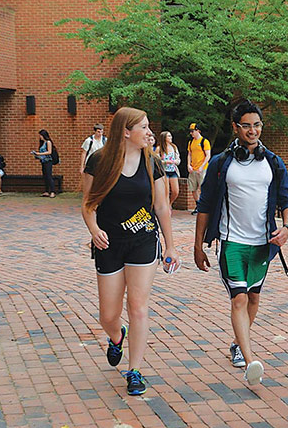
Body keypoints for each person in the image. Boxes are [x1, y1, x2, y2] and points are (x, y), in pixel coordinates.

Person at [193, 101, 288, 386]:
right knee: (238, 297)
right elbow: (206, 205)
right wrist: (198, 245)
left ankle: (238, 343)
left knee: (252, 298)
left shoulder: (273, 162)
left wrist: (286, 228)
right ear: (235, 127)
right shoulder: (221, 163)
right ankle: (250, 359)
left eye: (257, 125)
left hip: (263, 244)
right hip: (231, 241)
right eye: (247, 125)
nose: (253, 130)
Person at [82, 107, 178, 396]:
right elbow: (88, 204)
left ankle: (134, 370)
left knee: (137, 306)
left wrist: (171, 245)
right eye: (144, 128)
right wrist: (93, 229)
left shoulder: (153, 162)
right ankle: (116, 336)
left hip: (144, 241)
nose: (150, 133)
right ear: (126, 131)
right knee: (108, 314)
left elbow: (161, 206)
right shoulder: (98, 161)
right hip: (109, 244)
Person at [186, 123, 211, 214]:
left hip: (202, 168)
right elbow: (189, 154)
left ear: (198, 131)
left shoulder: (204, 141)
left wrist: (202, 166)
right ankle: (198, 204)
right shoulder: (191, 142)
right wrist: (188, 165)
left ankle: (204, 205)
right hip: (193, 168)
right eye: (190, 131)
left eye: (192, 131)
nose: (191, 133)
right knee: (193, 188)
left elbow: (208, 155)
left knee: (202, 187)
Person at [155, 131, 181, 202]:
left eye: (170, 136)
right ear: (164, 138)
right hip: (164, 171)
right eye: (169, 136)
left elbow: (178, 159)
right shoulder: (159, 148)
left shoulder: (174, 147)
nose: (171, 137)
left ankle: (170, 203)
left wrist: (176, 162)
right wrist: (165, 162)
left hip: (173, 170)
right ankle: (166, 206)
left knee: (175, 191)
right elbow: (157, 161)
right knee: (166, 191)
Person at [32, 129, 57, 198]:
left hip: (48, 161)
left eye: (40, 135)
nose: (40, 137)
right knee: (45, 176)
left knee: (49, 176)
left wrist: (39, 153)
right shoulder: (42, 143)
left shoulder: (48, 142)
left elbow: (49, 152)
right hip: (43, 161)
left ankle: (53, 191)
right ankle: (47, 191)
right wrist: (37, 156)